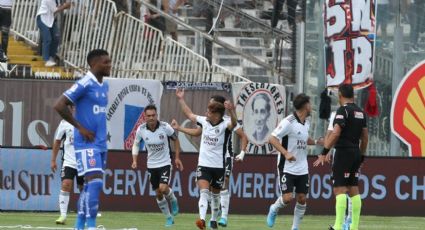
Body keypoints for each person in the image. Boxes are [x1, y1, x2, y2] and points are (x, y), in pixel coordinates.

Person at [54, 49, 111, 230]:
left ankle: (79, 225)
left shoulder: (104, 85)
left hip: (101, 143)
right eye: (105, 62)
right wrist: (80, 127)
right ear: (94, 64)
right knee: (94, 182)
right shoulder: (85, 83)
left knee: (89, 186)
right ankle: (91, 226)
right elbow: (59, 105)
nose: (109, 65)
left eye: (110, 61)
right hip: (86, 143)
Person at [171, 95, 248, 227]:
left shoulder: (225, 124)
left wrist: (231, 111)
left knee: (216, 194)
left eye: (209, 111)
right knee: (204, 192)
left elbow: (235, 124)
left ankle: (214, 219)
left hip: (219, 166)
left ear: (217, 115)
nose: (206, 113)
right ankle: (201, 220)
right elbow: (189, 114)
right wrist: (181, 99)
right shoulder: (204, 121)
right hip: (203, 164)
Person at [314, 84, 368, 230]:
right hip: (356, 152)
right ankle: (354, 227)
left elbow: (336, 133)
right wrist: (361, 157)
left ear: (340, 95)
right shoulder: (361, 112)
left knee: (340, 189)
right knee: (353, 189)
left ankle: (338, 226)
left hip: (343, 153)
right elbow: (365, 137)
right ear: (353, 95)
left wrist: (324, 152)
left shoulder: (342, 110)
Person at [266, 93, 323, 230]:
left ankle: (295, 228)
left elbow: (304, 138)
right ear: (305, 106)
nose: (311, 107)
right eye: (309, 104)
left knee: (302, 198)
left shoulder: (306, 123)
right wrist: (285, 153)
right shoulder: (288, 122)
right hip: (287, 166)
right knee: (287, 198)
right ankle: (274, 208)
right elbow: (272, 138)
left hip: (302, 167)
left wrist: (316, 141)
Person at [131, 104, 183, 227]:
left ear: (157, 115)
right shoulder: (141, 129)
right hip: (151, 165)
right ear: (145, 117)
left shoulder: (165, 127)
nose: (151, 118)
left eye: (153, 115)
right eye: (148, 116)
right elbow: (136, 144)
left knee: (163, 188)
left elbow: (175, 140)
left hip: (165, 163)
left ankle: (173, 199)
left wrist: (176, 158)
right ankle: (169, 218)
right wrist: (134, 160)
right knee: (158, 193)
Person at [51, 107, 85, 225]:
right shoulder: (64, 123)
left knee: (83, 188)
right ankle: (63, 215)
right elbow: (57, 141)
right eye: (74, 107)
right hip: (68, 162)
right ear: (71, 109)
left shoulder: (87, 121)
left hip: (83, 161)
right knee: (66, 184)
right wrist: (53, 160)